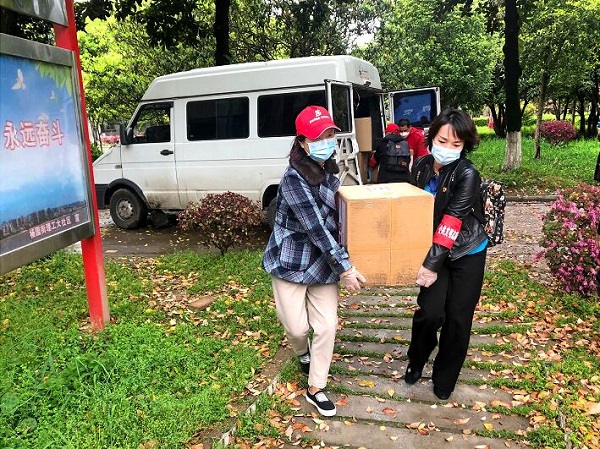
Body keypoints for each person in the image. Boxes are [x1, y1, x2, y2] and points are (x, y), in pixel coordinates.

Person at [262, 105, 366, 417]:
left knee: (327, 326)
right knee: (296, 329)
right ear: (303, 142)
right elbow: (315, 228)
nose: (326, 142)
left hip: (323, 264)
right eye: (318, 137)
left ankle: (315, 387)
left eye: (330, 135)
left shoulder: (331, 172)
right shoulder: (293, 178)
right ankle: (301, 352)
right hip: (291, 261)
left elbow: (342, 217)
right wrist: (346, 267)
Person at [404, 108, 488, 401]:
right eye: (442, 141)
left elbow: (452, 222)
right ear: (431, 138)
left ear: (465, 145)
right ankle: (417, 359)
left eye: (457, 144)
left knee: (457, 318)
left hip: (466, 250)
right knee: (430, 312)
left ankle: (445, 377)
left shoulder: (467, 173)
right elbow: (411, 206)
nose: (448, 148)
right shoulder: (421, 166)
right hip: (435, 250)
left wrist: (429, 266)